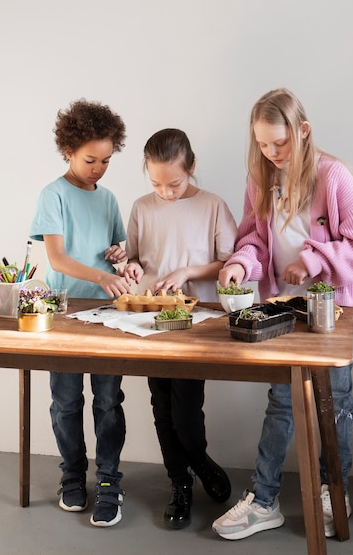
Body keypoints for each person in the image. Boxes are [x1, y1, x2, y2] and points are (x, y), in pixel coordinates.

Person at [212, 88, 353, 541]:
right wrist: (237, 264)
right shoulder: (261, 178)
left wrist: (311, 261)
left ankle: (333, 490)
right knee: (282, 401)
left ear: (303, 131)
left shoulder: (334, 176)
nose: (272, 153)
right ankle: (264, 500)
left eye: (280, 143)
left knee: (336, 403)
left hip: (331, 308)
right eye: (263, 144)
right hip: (283, 309)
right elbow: (254, 241)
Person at [117, 128, 238, 529]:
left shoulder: (213, 206)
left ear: (192, 169)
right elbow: (133, 259)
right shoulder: (141, 207)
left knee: (186, 408)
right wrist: (127, 265)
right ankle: (179, 482)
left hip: (197, 321)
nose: (165, 192)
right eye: (156, 184)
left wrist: (187, 270)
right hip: (151, 319)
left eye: (175, 183)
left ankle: (199, 460)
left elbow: (231, 262)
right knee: (161, 405)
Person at [30, 99, 133, 527]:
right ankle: (73, 473)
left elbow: (122, 255)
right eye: (90, 159)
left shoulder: (108, 199)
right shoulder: (52, 195)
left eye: (106, 160)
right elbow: (57, 259)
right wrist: (101, 275)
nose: (98, 168)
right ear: (68, 150)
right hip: (66, 313)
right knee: (65, 403)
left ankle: (109, 479)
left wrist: (120, 257)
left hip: (108, 314)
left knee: (108, 401)